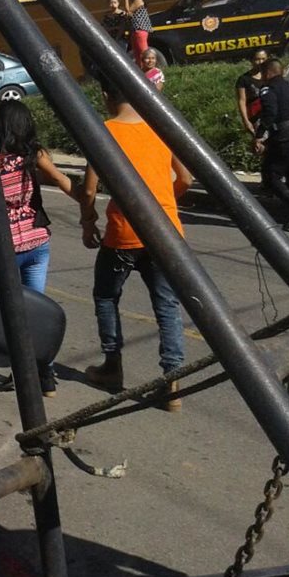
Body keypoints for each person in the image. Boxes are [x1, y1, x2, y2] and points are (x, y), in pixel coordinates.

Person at [81, 76, 193, 411]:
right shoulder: (160, 127)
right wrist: (159, 204)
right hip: (165, 232)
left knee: (105, 295)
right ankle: (172, 383)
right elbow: (186, 177)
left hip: (124, 233)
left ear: (105, 95)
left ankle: (112, 366)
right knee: (167, 306)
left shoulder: (104, 132)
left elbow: (89, 190)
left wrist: (89, 222)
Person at [0, 99, 80, 396]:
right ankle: (47, 376)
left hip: (6, 249)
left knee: (9, 314)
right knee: (36, 312)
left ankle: (21, 374)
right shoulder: (35, 155)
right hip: (38, 241)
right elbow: (63, 181)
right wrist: (88, 207)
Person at [254, 58, 289, 230]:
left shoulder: (268, 89)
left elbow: (270, 113)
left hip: (283, 136)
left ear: (268, 73)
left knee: (271, 176)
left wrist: (260, 135)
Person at [236, 49, 270, 138]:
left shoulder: (271, 76)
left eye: (263, 59)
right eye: (257, 59)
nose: (260, 62)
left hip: (272, 115)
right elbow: (242, 101)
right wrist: (246, 120)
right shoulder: (244, 79)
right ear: (252, 60)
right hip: (256, 117)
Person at [124, 0, 153, 69]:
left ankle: (149, 70)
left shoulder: (138, 0)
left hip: (140, 30)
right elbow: (129, 14)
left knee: (144, 53)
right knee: (137, 54)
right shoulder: (135, 1)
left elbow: (128, 10)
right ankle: (141, 71)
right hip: (135, 30)